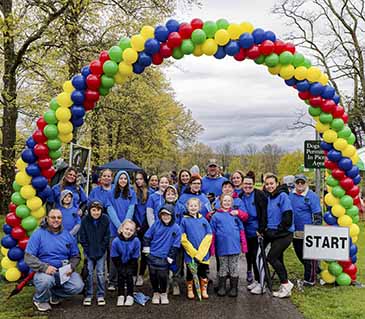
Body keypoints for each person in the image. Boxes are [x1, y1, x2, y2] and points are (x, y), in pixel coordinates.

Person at [24, 209, 84, 312]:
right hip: (44, 272)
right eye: (53, 217)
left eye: (59, 217)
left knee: (78, 286)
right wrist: (44, 267)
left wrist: (71, 266)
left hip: (63, 272)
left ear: (61, 219)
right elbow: (28, 257)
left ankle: (53, 295)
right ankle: (40, 300)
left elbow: (76, 255)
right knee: (46, 281)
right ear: (47, 219)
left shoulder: (67, 235)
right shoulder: (38, 234)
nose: (56, 220)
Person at [257, 173, 294, 298]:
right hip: (272, 232)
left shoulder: (283, 196)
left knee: (271, 258)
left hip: (284, 233)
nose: (269, 186)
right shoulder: (268, 197)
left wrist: (279, 229)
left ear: (277, 184)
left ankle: (286, 283)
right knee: (278, 259)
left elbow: (288, 216)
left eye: (271, 183)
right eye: (267, 184)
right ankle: (284, 285)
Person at [143, 204, 182, 305]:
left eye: (168, 214)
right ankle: (156, 292)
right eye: (163, 214)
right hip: (152, 255)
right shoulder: (156, 224)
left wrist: (170, 257)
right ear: (160, 215)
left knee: (163, 276)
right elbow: (147, 237)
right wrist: (147, 253)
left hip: (165, 257)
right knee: (153, 275)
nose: (165, 217)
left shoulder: (176, 228)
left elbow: (176, 245)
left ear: (172, 215)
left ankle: (163, 293)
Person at [210, 194, 248, 297]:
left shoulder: (235, 215)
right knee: (223, 267)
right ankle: (222, 286)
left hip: (234, 247)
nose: (227, 203)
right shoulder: (216, 216)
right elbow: (212, 233)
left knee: (234, 267)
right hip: (221, 247)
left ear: (232, 203)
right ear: (221, 202)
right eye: (225, 201)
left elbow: (241, 230)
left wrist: (244, 246)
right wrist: (212, 248)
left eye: (229, 201)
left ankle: (234, 287)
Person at [105, 170, 136, 291]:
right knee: (114, 256)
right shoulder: (110, 193)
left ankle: (123, 280)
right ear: (117, 179)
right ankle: (112, 280)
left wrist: (125, 227)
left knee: (126, 255)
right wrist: (119, 226)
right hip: (114, 229)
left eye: (125, 178)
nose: (123, 180)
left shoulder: (131, 193)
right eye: (121, 178)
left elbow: (131, 209)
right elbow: (110, 209)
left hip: (128, 230)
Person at [289, 174, 322, 286]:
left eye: (302, 182)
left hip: (308, 232)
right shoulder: (290, 195)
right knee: (299, 253)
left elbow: (317, 215)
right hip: (295, 231)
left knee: (309, 257)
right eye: (297, 182)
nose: (300, 184)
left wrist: (315, 230)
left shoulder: (312, 196)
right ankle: (315, 269)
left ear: (306, 183)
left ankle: (310, 279)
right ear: (295, 183)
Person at [238, 172, 267, 290]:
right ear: (242, 184)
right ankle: (256, 280)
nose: (247, 186)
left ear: (254, 184)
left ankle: (262, 283)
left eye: (250, 184)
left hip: (257, 231)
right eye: (245, 184)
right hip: (246, 232)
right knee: (249, 257)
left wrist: (261, 229)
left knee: (257, 257)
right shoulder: (240, 196)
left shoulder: (259, 195)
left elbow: (264, 213)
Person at [79, 201, 110, 306]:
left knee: (101, 273)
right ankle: (89, 294)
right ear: (89, 210)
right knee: (89, 273)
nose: (96, 213)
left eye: (98, 210)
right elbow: (82, 237)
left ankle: (101, 294)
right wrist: (87, 250)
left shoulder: (105, 219)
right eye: (93, 210)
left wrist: (102, 249)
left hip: (101, 251)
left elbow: (107, 236)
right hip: (89, 251)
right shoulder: (85, 220)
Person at [180, 198, 212, 300]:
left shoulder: (203, 220)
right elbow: (183, 238)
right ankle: (190, 289)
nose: (193, 208)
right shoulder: (184, 220)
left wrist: (200, 253)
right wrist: (193, 253)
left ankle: (203, 289)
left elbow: (209, 236)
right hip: (190, 254)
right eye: (191, 206)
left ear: (199, 207)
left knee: (203, 272)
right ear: (187, 207)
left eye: (195, 206)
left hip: (203, 254)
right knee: (190, 273)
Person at [111, 220, 141, 307]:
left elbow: (136, 255)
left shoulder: (136, 241)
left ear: (134, 231)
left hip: (131, 262)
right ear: (122, 229)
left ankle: (130, 295)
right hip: (119, 261)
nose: (128, 232)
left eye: (131, 230)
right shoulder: (116, 241)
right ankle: (120, 295)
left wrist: (130, 267)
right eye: (126, 229)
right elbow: (114, 255)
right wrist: (120, 267)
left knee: (129, 277)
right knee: (120, 276)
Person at [133, 171, 150, 287]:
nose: (139, 181)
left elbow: (149, 211)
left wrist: (143, 226)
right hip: (134, 226)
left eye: (141, 179)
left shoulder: (149, 193)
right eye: (137, 179)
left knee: (144, 253)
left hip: (145, 227)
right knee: (134, 252)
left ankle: (141, 275)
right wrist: (135, 225)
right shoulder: (133, 193)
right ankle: (134, 274)